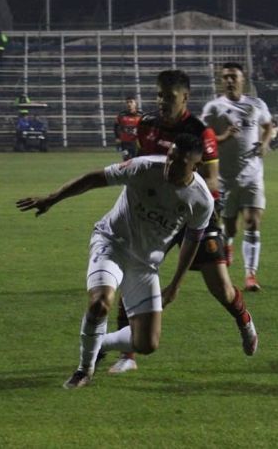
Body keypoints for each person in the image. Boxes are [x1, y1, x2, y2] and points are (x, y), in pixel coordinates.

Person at [16, 133, 214, 389]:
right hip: (112, 242)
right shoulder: (144, 167)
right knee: (100, 303)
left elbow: (191, 241)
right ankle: (84, 370)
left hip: (145, 264)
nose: (170, 165)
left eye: (179, 162)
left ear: (195, 166)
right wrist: (52, 199)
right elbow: (95, 178)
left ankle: (100, 342)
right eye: (170, 157)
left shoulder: (201, 200)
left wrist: (175, 285)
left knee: (147, 343)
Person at [108, 69, 259, 375]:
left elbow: (212, 181)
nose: (162, 101)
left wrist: (181, 191)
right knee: (131, 274)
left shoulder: (199, 132)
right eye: (159, 95)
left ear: (185, 98)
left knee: (221, 288)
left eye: (170, 96)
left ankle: (244, 322)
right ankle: (127, 355)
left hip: (191, 213)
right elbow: (138, 169)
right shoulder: (147, 125)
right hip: (154, 217)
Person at [202, 62, 274, 291]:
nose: (230, 80)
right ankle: (229, 244)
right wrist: (223, 136)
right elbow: (202, 136)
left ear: (243, 79)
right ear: (220, 81)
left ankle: (250, 275)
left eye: (234, 76)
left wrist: (264, 143)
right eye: (226, 77)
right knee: (230, 227)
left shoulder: (257, 104)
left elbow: (269, 126)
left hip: (253, 174)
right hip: (224, 177)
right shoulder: (214, 107)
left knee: (252, 222)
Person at [114, 96, 142, 161]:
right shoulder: (121, 115)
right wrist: (117, 138)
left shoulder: (141, 115)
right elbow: (116, 126)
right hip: (124, 143)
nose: (129, 104)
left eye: (131, 102)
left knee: (135, 161)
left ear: (136, 103)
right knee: (126, 159)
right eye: (127, 102)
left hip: (136, 143)